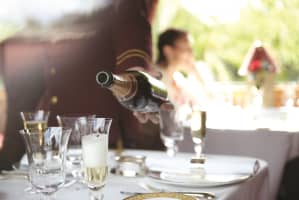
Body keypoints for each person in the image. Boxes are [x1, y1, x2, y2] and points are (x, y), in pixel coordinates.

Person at [0, 0, 164, 170]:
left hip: (102, 143)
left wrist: (136, 81)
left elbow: (133, 52)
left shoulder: (119, 4)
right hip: (52, 145)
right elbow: (26, 100)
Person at [156, 28, 210, 108]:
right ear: (168, 51)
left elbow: (204, 103)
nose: (192, 54)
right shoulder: (155, 80)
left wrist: (196, 73)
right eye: (187, 49)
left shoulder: (177, 78)